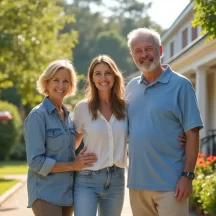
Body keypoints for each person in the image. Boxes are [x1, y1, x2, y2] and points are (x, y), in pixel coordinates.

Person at [125, 27, 204, 216]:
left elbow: (193, 132)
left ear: (160, 50)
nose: (144, 55)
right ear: (132, 55)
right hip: (137, 185)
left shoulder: (181, 85)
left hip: (171, 184)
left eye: (149, 49)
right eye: (138, 51)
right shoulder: (131, 88)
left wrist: (187, 176)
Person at [24, 59, 97, 216]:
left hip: (67, 194)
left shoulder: (69, 116)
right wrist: (73, 165)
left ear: (70, 86)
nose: (61, 86)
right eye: (56, 80)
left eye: (66, 81)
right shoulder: (38, 116)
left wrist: (86, 125)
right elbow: (35, 162)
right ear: (46, 82)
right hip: (46, 194)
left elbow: (68, 147)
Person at [73, 55, 127, 216]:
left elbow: (142, 134)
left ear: (115, 76)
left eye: (108, 73)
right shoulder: (82, 108)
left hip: (117, 180)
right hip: (87, 179)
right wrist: (74, 161)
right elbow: (72, 143)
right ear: (92, 78)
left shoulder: (126, 108)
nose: (103, 78)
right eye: (98, 73)